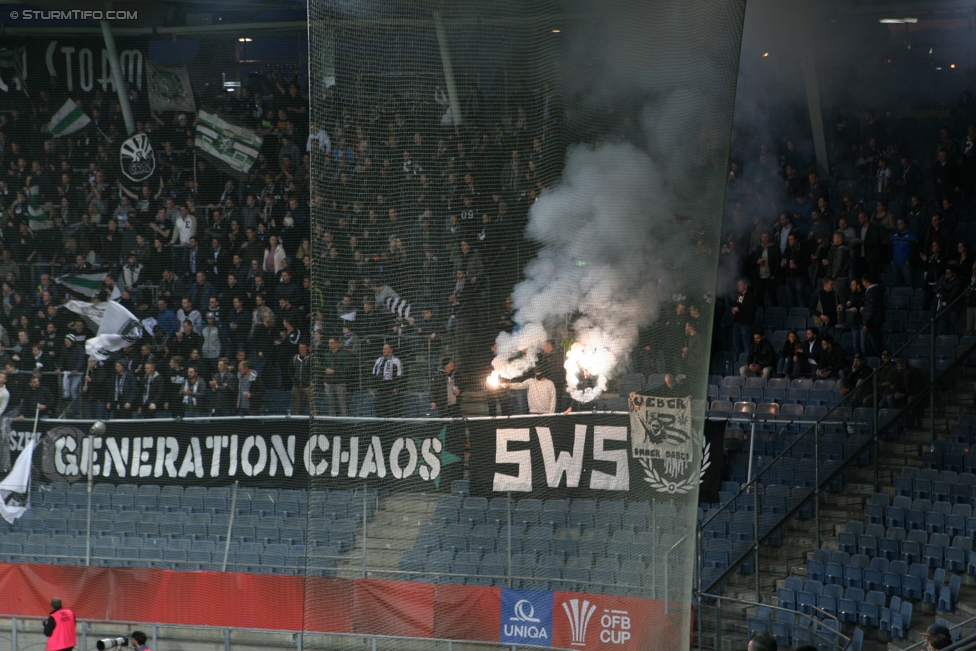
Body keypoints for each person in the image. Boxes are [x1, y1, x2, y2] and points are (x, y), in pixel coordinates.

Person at [371, 343, 404, 418]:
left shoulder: (396, 361)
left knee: (393, 409)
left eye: (386, 349)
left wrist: (397, 388)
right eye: (383, 349)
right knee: (380, 409)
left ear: (391, 350)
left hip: (391, 388)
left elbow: (400, 376)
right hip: (380, 388)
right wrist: (374, 387)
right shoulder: (379, 360)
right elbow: (374, 374)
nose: (383, 351)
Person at [322, 336, 350, 416]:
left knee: (342, 404)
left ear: (337, 343)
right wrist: (324, 380)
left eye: (331, 343)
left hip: (339, 382)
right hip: (329, 383)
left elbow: (347, 368)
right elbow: (324, 368)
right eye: (329, 343)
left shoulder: (343, 354)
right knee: (331, 404)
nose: (329, 345)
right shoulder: (327, 354)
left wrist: (334, 371)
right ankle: (332, 422)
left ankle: (345, 421)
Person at [731, 279, 758, 358]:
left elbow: (752, 310)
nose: (738, 287)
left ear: (745, 285)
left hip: (746, 323)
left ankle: (747, 360)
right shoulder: (739, 295)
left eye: (740, 285)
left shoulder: (751, 296)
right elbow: (736, 305)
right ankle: (739, 359)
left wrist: (740, 310)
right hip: (737, 321)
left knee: (746, 343)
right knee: (736, 343)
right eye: (738, 285)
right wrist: (733, 309)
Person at [861, 275, 886, 357]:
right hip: (876, 321)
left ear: (865, 281)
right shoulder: (876, 291)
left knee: (874, 345)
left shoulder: (872, 292)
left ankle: (881, 362)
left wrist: (866, 323)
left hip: (873, 323)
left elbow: (871, 309)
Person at [290, 342, 313, 415]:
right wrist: (293, 379)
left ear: (307, 348)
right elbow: (290, 369)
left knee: (311, 404)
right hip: (296, 385)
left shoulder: (310, 358)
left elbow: (314, 370)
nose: (302, 349)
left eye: (303, 347)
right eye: (300, 347)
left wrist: (312, 381)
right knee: (296, 404)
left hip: (307, 385)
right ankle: (296, 419)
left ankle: (314, 418)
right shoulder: (295, 358)